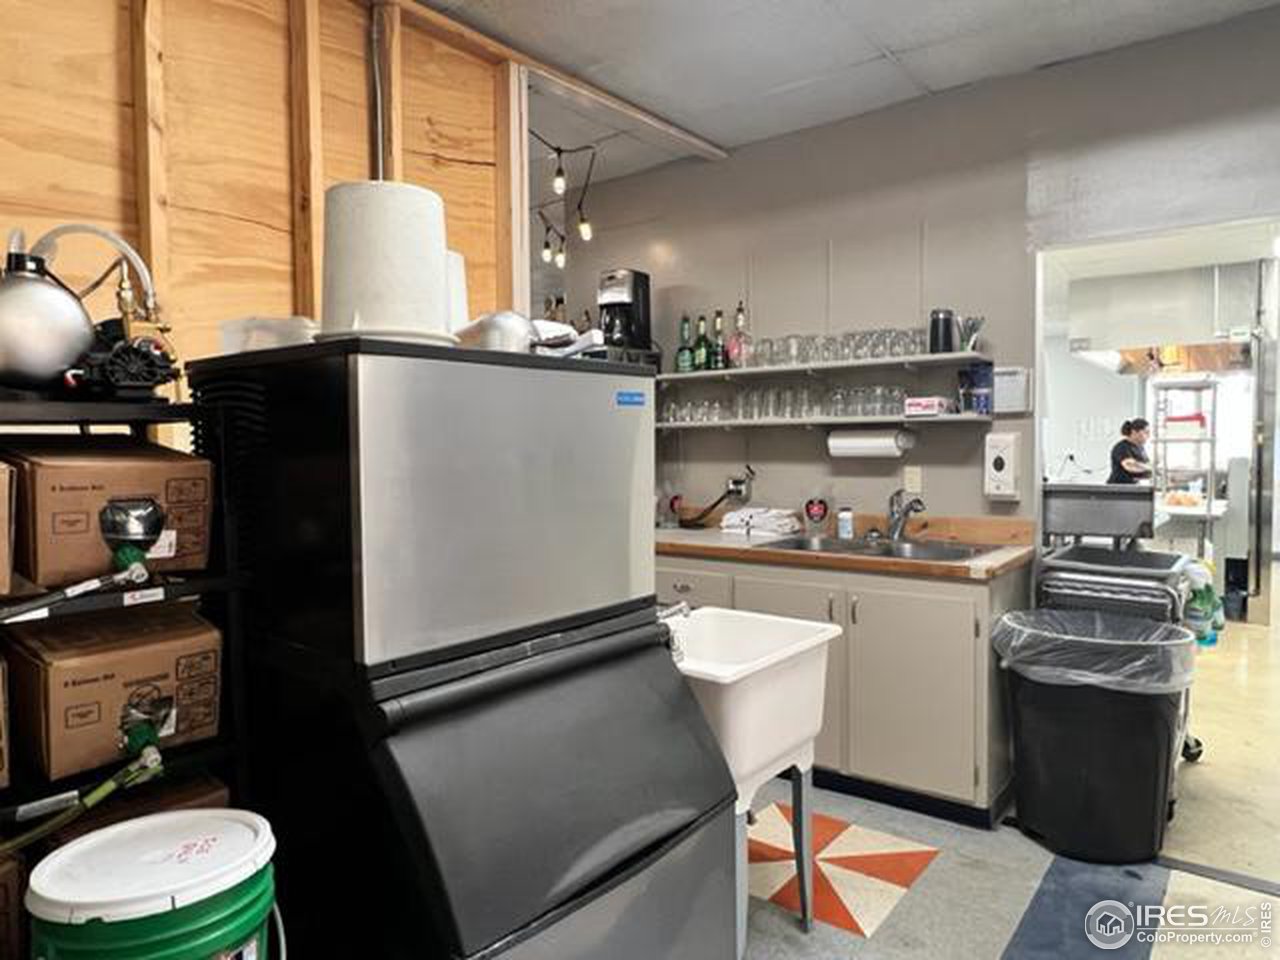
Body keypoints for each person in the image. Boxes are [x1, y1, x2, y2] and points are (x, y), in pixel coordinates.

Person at [1108, 418, 1152, 484]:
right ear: (1134, 432)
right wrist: (1150, 468)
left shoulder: (1140, 448)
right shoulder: (1122, 447)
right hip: (1119, 489)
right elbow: (1130, 466)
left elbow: (1146, 465)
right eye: (1146, 432)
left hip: (1133, 486)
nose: (1148, 436)